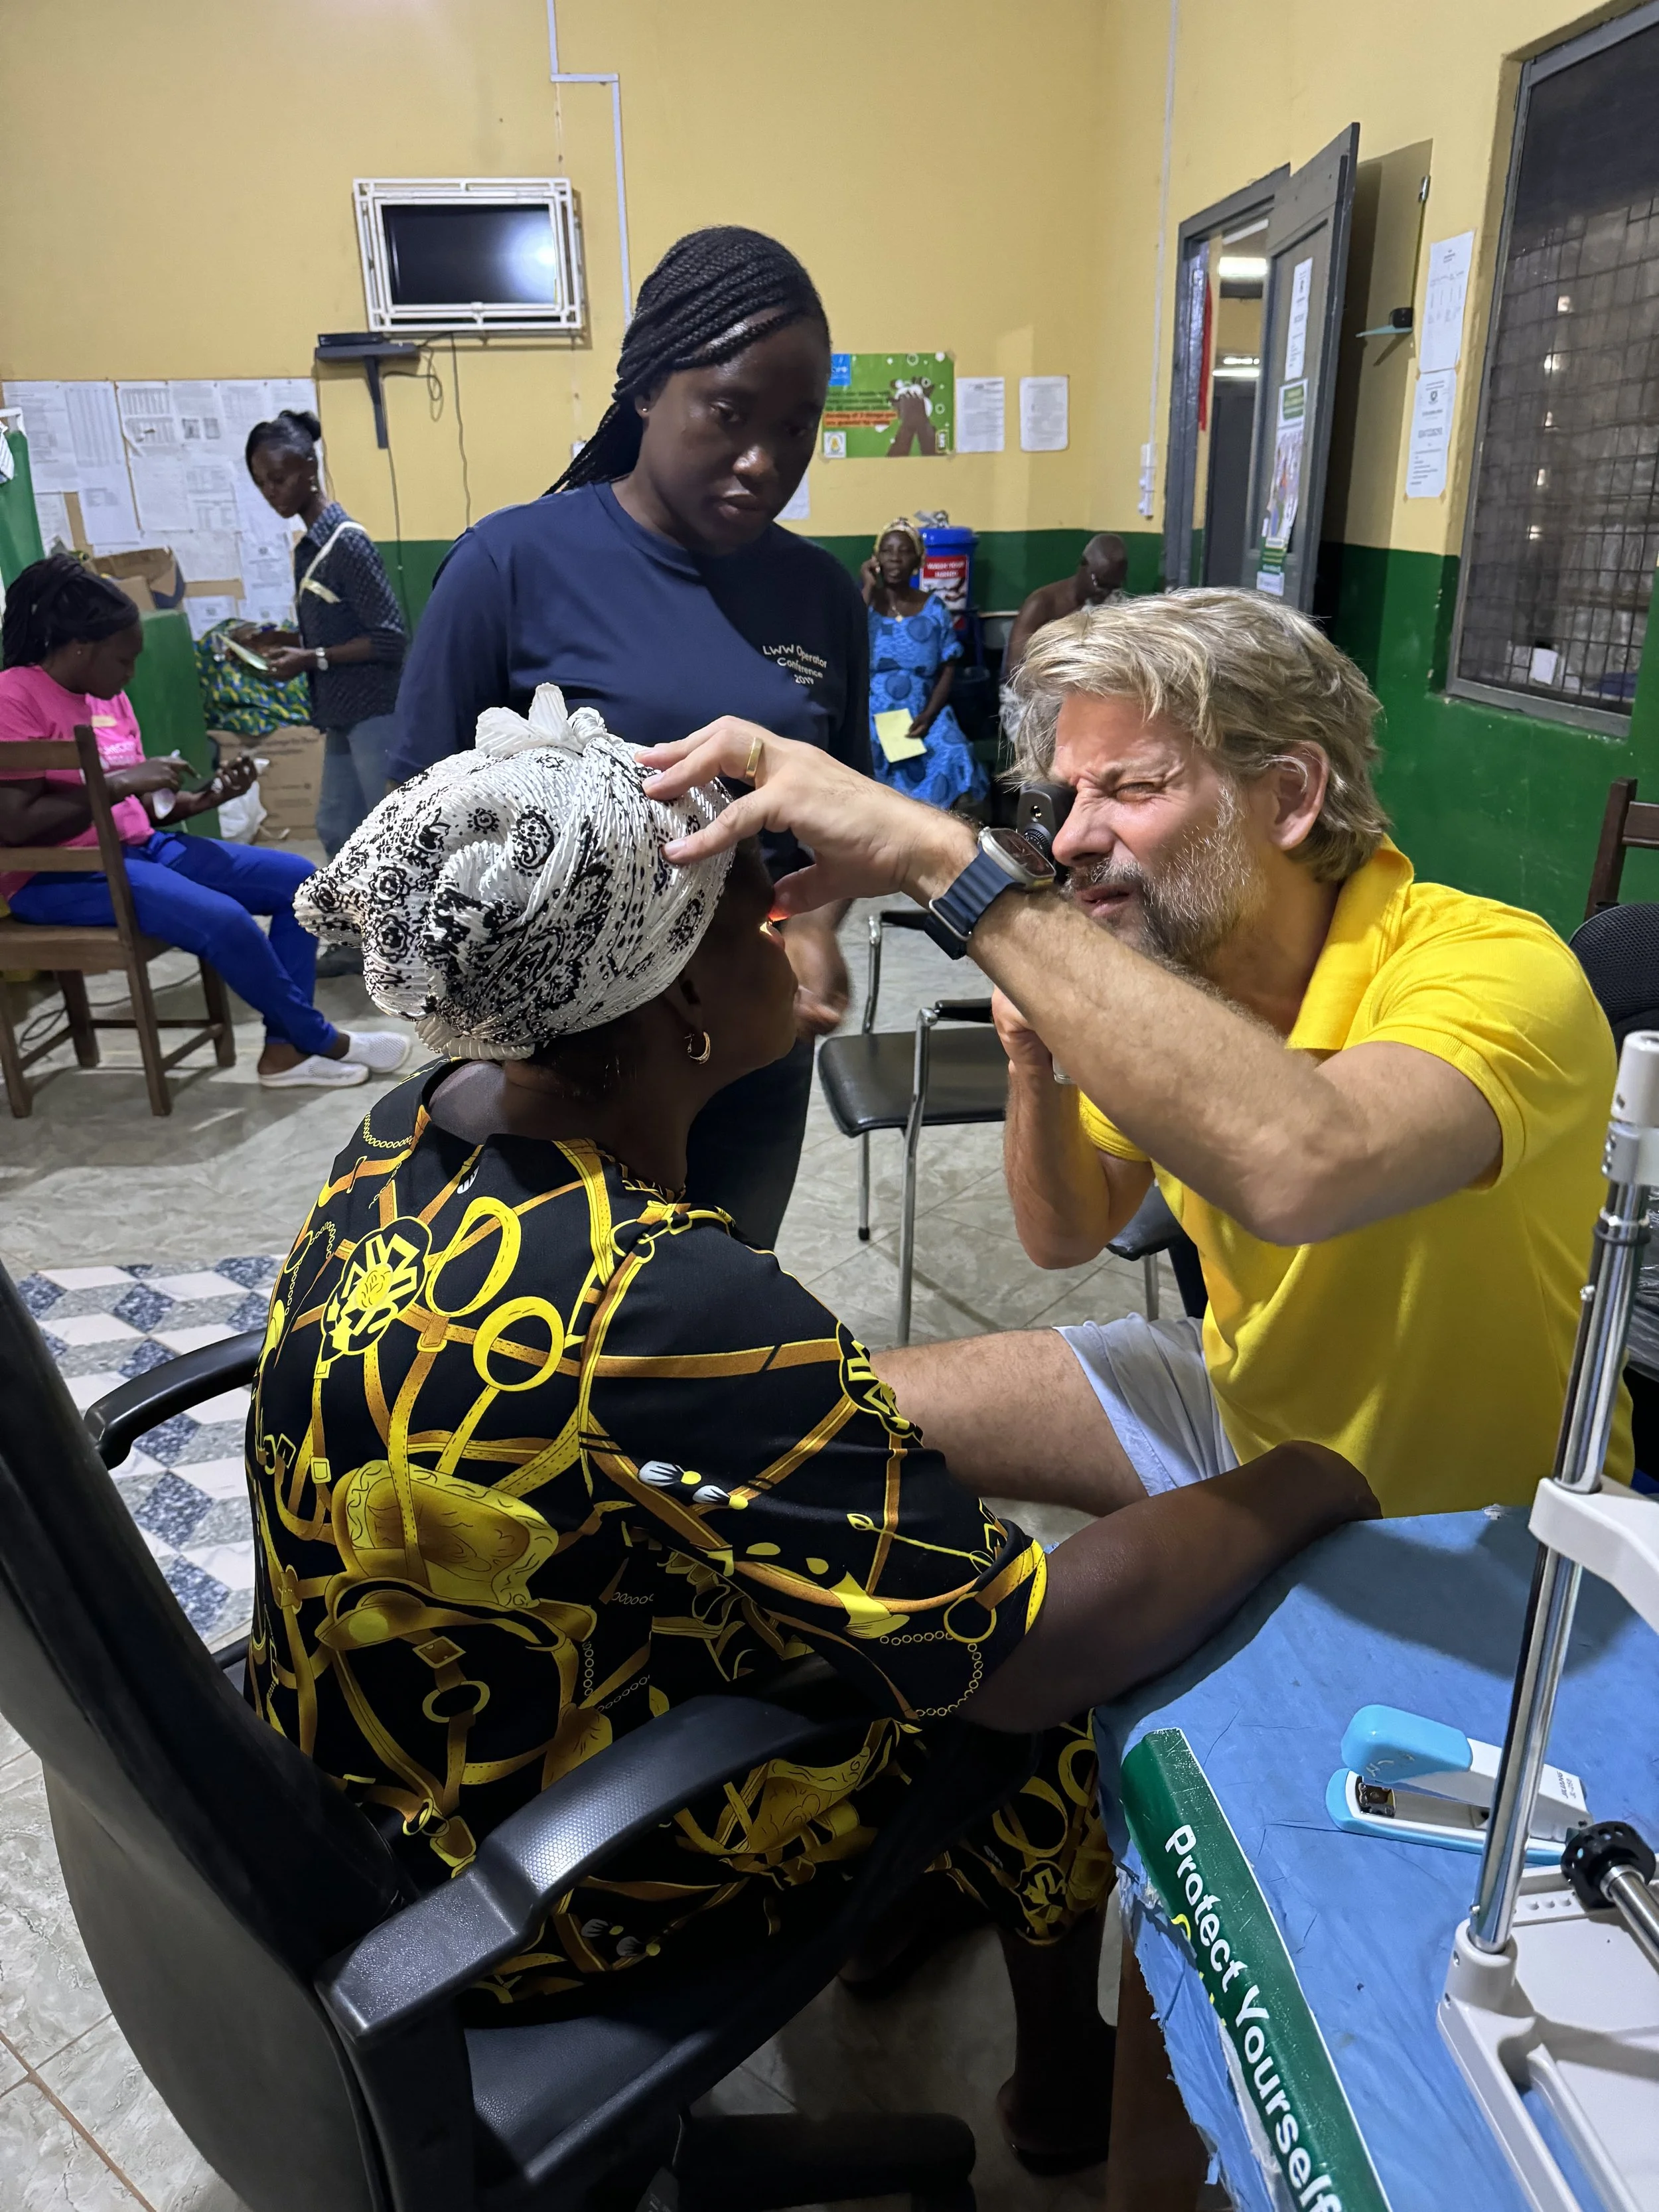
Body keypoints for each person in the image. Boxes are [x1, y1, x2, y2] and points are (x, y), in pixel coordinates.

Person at [250, 682, 1376, 2179]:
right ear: (680, 1005)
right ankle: (1055, 2090)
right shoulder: (661, 1296)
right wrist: (1301, 1476)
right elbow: (1019, 1649)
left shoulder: (416, 1124)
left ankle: (894, 1912)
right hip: (526, 1893)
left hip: (364, 1770)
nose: (791, 922)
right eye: (746, 910)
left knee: (888, 1560)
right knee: (1038, 1727)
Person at [636, 586, 1623, 2202]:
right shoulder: (1149, 965)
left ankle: (1107, 2088)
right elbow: (1064, 1231)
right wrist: (1036, 1051)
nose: (1078, 837)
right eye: (1062, 800)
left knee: (1192, 1950)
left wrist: (960, 877)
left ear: (1292, 797)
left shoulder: (1494, 973)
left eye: (1131, 789)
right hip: (1236, 1394)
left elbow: (1304, 1159)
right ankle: (921, 1834)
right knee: (830, 1421)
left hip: (1453, 1511)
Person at [386, 226, 871, 1250]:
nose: (763, 461)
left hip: (747, 1045)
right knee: (550, 1331)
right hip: (561, 1070)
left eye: (797, 428)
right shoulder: (508, 568)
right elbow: (421, 841)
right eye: (730, 415)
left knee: (714, 1308)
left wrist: (814, 932)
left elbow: (837, 820)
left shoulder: (820, 595)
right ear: (648, 389)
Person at [0, 557, 409, 1090]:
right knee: (226, 920)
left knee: (302, 884)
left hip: (140, 848)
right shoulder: (14, 695)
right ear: (81, 648)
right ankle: (321, 1038)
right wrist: (121, 783)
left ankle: (283, 1055)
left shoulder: (109, 697)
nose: (130, 674)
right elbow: (15, 824)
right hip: (59, 876)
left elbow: (138, 811)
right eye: (123, 660)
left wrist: (203, 799)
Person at [240, 407, 407, 859]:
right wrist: (284, 644)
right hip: (341, 712)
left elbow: (390, 638)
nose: (271, 492)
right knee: (336, 827)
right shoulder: (312, 544)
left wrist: (309, 659)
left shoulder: (346, 542)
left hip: (374, 708)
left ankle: (408, 925)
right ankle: (355, 923)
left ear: (309, 468)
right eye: (261, 483)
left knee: (393, 830)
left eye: (279, 478)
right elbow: (337, 632)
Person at [861, 518, 987, 811]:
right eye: (887, 551)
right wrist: (867, 586)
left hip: (923, 710)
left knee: (954, 751)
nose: (895, 558)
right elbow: (846, 638)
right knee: (870, 753)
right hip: (872, 710)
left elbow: (949, 666)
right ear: (876, 558)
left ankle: (944, 834)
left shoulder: (934, 608)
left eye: (904, 551)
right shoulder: (864, 605)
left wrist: (930, 714)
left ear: (918, 561)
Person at [1001, 533, 1129, 682]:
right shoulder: (1042, 603)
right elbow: (1015, 668)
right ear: (1082, 565)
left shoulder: (1113, 604)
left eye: (1113, 587)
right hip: (1040, 689)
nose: (1105, 592)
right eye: (1100, 583)